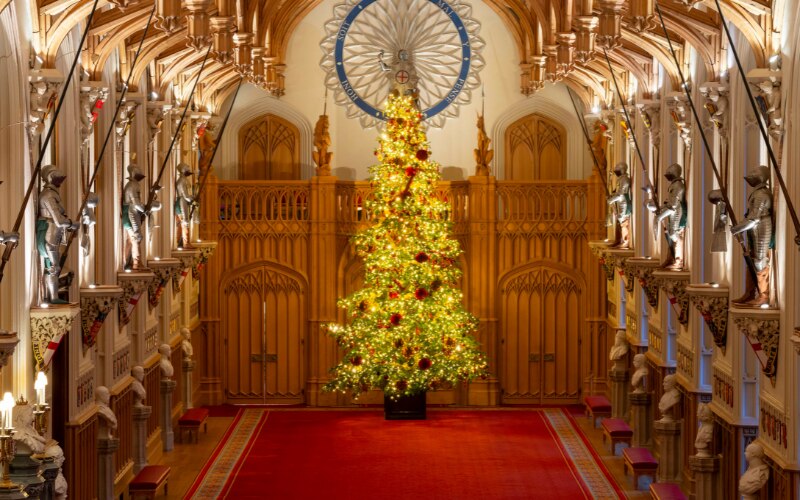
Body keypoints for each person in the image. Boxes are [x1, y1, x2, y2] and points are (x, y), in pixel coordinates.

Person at [731, 166, 774, 307]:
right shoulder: (757, 193)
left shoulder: (762, 194)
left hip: (761, 226)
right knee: (751, 257)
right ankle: (749, 292)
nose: (751, 175)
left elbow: (754, 218)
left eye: (754, 173)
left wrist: (737, 228)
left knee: (759, 260)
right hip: (754, 228)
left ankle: (763, 294)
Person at [38, 165, 79, 304]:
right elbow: (59, 220)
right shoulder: (49, 195)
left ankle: (50, 296)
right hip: (50, 230)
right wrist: (73, 224)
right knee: (54, 267)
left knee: (51, 266)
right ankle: (53, 297)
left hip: (53, 231)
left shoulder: (51, 193)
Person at [648, 164, 686, 270]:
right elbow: (669, 202)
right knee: (670, 232)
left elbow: (673, 205)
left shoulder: (678, 185)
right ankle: (671, 258)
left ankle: (678, 259)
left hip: (676, 210)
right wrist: (660, 208)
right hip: (672, 210)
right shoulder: (673, 185)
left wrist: (661, 215)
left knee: (673, 233)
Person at [607, 162, 631, 248]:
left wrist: (612, 199)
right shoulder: (620, 179)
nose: (616, 172)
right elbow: (617, 192)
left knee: (623, 219)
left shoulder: (625, 179)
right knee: (619, 219)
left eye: (617, 170)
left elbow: (621, 193)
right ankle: (620, 239)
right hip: (619, 201)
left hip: (624, 201)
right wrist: (612, 196)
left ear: (622, 170)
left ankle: (625, 240)